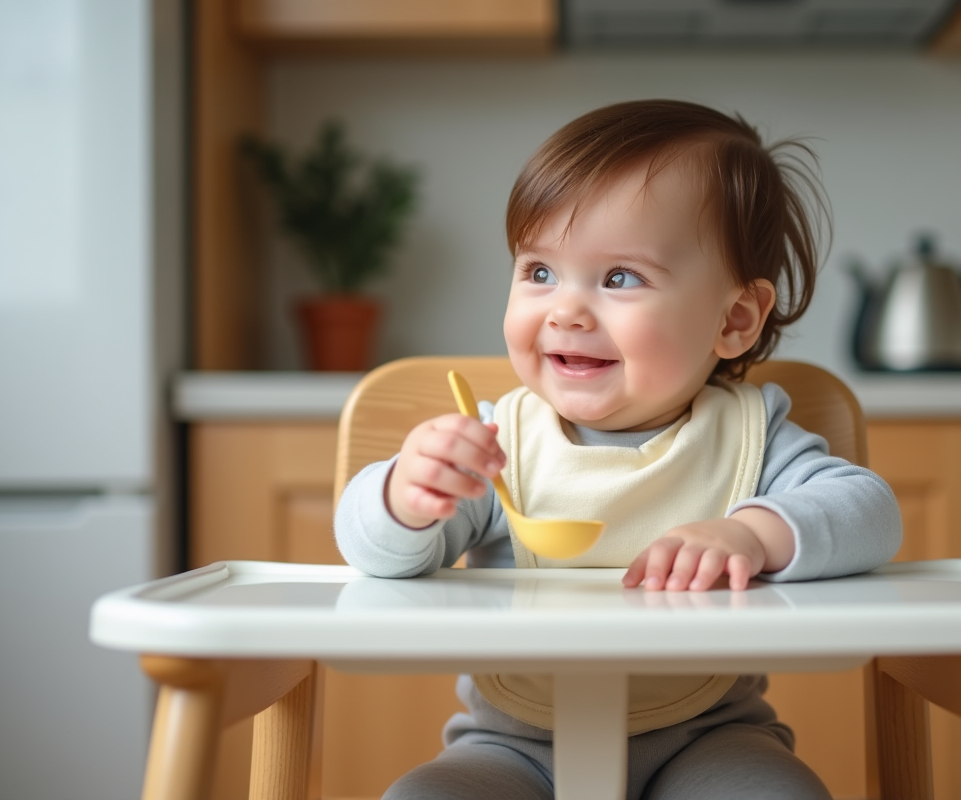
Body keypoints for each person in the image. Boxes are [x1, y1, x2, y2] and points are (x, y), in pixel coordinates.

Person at [334, 99, 902, 800]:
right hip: (514, 748)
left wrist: (751, 533)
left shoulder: (751, 439)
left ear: (735, 319)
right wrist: (406, 497)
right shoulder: (497, 444)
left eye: (619, 278)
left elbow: (870, 511)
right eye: (539, 272)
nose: (565, 310)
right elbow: (374, 553)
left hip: (710, 739)